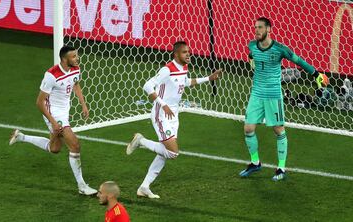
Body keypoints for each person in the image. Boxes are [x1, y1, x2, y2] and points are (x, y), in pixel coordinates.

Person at [126, 41, 223, 198]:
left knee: (165, 153)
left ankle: (144, 187)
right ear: (176, 54)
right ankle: (140, 141)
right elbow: (147, 86)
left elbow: (186, 82)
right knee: (172, 152)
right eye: (184, 52)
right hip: (161, 114)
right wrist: (163, 105)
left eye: (188, 52)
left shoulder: (183, 68)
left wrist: (209, 78)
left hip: (174, 115)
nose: (188, 54)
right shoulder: (167, 69)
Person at [240, 17, 329, 181]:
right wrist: (252, 61)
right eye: (255, 28)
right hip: (256, 93)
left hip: (273, 94)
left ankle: (281, 168)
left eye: (260, 27)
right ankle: (255, 162)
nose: (257, 30)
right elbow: (251, 54)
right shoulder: (252, 45)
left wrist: (316, 74)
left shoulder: (280, 49)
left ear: (269, 29)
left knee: (278, 130)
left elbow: (299, 61)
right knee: (248, 129)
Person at [9, 45, 97, 195]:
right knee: (75, 145)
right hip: (53, 113)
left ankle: (21, 136)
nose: (77, 58)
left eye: (77, 55)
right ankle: (82, 186)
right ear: (64, 59)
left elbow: (76, 84)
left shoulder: (76, 68)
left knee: (55, 148)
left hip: (64, 111)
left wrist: (83, 104)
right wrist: (54, 122)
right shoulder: (51, 75)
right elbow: (39, 102)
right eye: (74, 56)